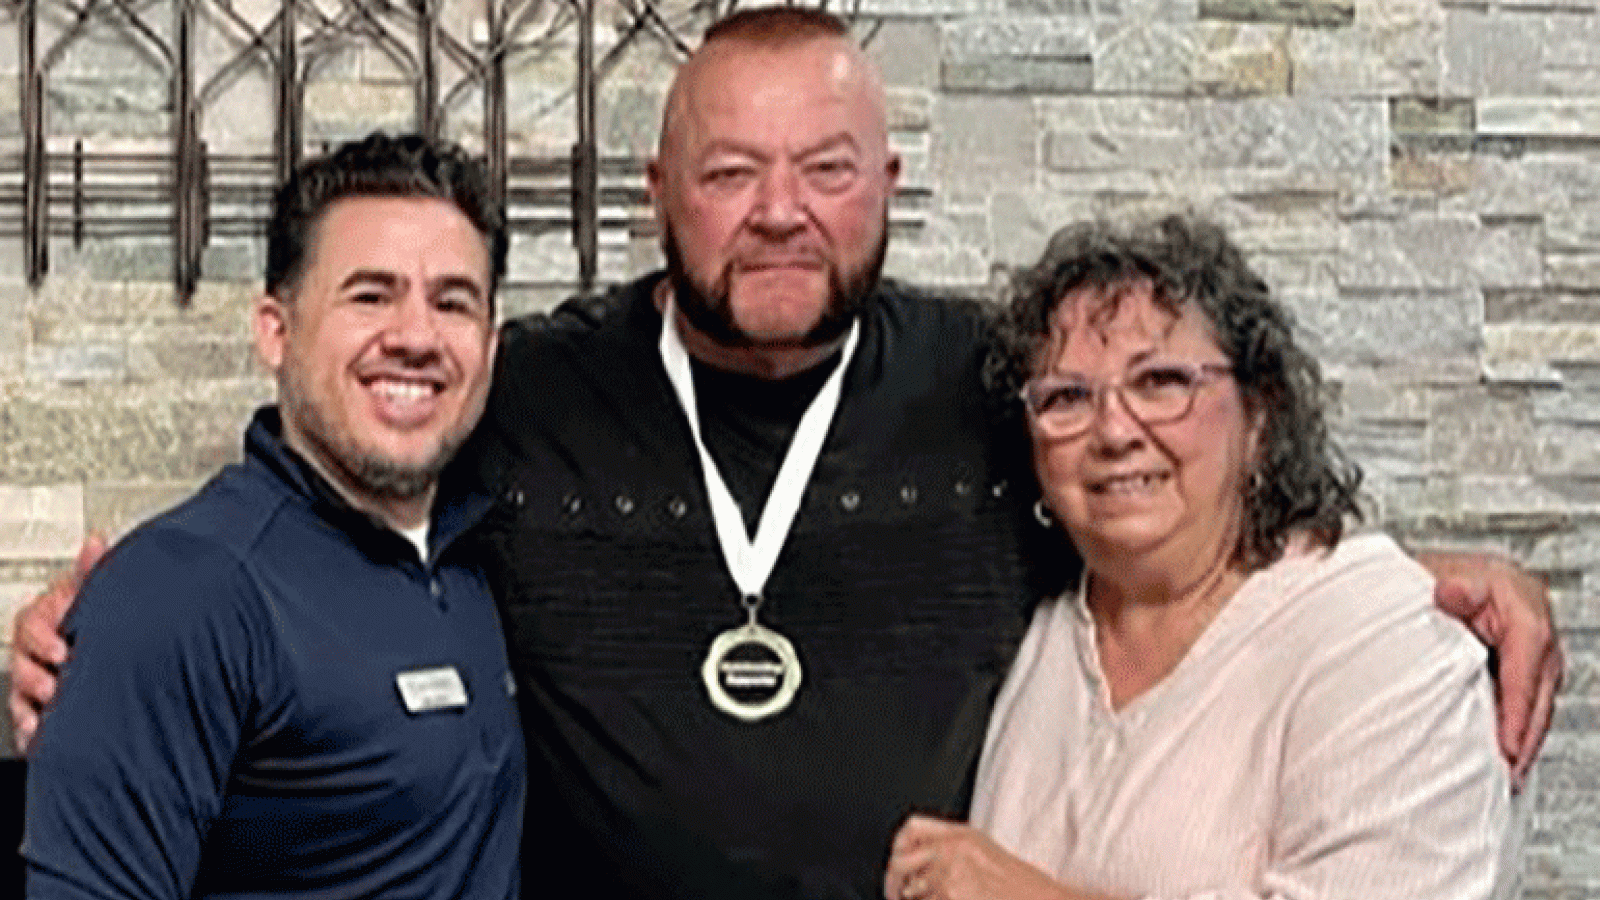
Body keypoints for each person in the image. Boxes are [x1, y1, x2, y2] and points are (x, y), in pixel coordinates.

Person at [10, 8, 1560, 900]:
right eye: (731, 171)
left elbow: (1154, 496)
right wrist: (110, 633)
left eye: (824, 169)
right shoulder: (528, 386)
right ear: (655, 193)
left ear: (886, 180)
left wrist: (1418, 579)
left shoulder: (996, 379)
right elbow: (338, 486)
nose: (779, 211)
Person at [884, 215, 1510, 900]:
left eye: (1160, 382)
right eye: (1067, 398)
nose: (1115, 430)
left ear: (1260, 412)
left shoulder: (1385, 643)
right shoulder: (1036, 624)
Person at [21, 134, 524, 899]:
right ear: (274, 330)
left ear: (489, 346)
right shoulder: (183, 592)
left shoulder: (478, 556)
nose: (416, 337)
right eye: (370, 295)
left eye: (453, 301)